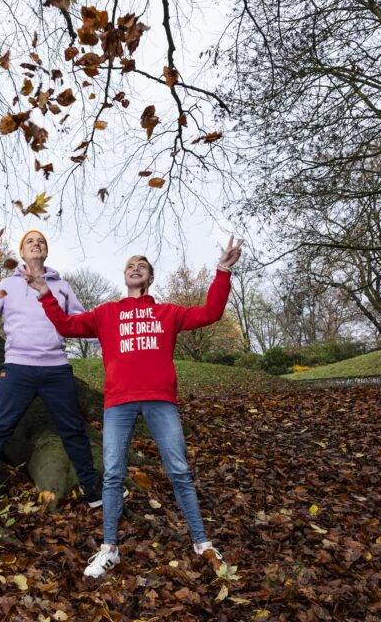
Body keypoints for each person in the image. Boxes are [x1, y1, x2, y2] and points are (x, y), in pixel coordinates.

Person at [24, 237, 244, 577]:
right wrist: (43, 291)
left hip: (160, 400)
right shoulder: (107, 313)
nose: (135, 267)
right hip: (118, 403)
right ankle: (109, 549)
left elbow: (210, 313)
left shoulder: (167, 313)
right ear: (125, 276)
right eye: (130, 265)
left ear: (150, 277)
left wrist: (223, 270)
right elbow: (66, 326)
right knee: (112, 474)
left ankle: (202, 544)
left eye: (142, 265)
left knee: (180, 471)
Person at [0, 230, 104, 508]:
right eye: (30, 241)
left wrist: (111, 344)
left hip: (56, 370)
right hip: (18, 368)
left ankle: (93, 489)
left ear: (46, 252)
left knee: (73, 430)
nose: (36, 244)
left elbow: (83, 323)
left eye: (41, 241)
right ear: (22, 253)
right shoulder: (7, 284)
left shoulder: (62, 286)